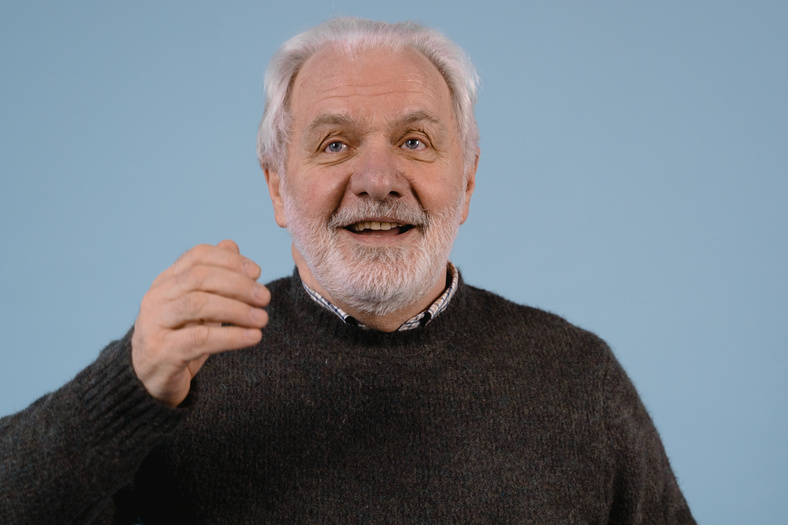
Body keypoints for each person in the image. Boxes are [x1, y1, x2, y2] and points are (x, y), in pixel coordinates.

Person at [0, 17, 695, 524]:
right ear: (277, 186)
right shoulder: (182, 372)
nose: (378, 179)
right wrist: (127, 385)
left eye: (414, 141)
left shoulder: (576, 375)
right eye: (335, 143)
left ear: (470, 180)